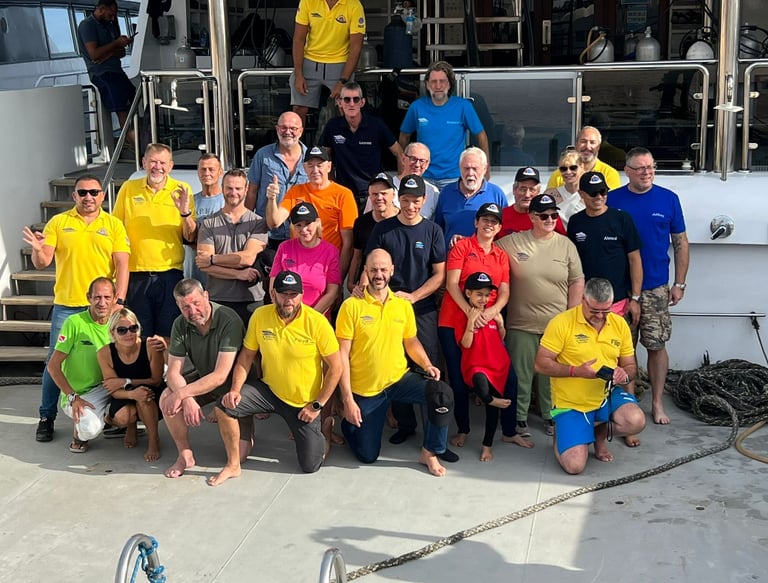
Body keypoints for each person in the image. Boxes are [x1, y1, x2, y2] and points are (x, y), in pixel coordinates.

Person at [208, 270, 343, 485]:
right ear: (272, 293)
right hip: (269, 391)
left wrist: (317, 405)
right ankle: (233, 464)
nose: (288, 299)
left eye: (293, 294)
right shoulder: (260, 316)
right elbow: (246, 356)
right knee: (225, 406)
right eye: (283, 293)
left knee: (311, 465)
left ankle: (324, 427)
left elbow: (336, 367)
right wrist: (234, 389)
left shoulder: (317, 322)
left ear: (301, 295)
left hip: (303, 403)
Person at [23, 175, 129, 443]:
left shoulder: (114, 225)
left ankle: (107, 411)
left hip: (104, 305)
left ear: (102, 195)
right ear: (74, 196)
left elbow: (122, 264)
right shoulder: (59, 222)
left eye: (94, 192)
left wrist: (121, 300)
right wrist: (37, 250)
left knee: (111, 357)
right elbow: (42, 261)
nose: (88, 197)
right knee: (54, 363)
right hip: (68, 306)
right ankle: (46, 416)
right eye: (82, 192)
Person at [336, 249, 454, 477]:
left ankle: (430, 451)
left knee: (441, 392)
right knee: (367, 456)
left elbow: (411, 341)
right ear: (366, 272)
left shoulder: (402, 304)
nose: (378, 274)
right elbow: (342, 355)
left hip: (399, 380)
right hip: (367, 389)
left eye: (383, 269)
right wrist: (348, 400)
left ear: (392, 270)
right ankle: (348, 424)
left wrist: (427, 364)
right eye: (373, 270)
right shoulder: (351, 306)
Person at [362, 174, 451, 460]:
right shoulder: (384, 229)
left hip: (421, 309)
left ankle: (434, 438)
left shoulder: (433, 231)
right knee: (394, 368)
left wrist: (414, 296)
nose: (410, 206)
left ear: (424, 201)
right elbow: (371, 267)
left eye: (416, 201)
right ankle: (406, 425)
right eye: (405, 200)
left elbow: (440, 275)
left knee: (429, 370)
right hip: (387, 309)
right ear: (397, 199)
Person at [438, 203, 530, 450]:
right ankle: (463, 429)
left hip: (487, 324)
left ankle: (509, 431)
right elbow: (452, 283)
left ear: (500, 227)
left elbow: (505, 290)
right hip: (454, 321)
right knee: (458, 380)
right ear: (476, 222)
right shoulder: (462, 247)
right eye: (485, 220)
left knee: (506, 376)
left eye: (494, 221)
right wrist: (470, 313)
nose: (489, 224)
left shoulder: (501, 255)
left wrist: (490, 313)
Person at [608, 147, 689, 425]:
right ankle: (627, 406)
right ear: (627, 171)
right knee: (622, 349)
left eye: (651, 167)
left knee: (656, 345)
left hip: (656, 288)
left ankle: (656, 402)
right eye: (640, 168)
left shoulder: (668, 199)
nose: (647, 172)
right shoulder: (612, 199)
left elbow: (681, 243)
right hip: (620, 290)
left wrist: (679, 283)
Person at [534, 278, 646, 474]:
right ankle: (563, 433)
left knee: (636, 420)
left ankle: (597, 434)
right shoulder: (561, 323)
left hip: (605, 395)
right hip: (571, 402)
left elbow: (630, 366)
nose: (600, 316)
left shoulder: (619, 324)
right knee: (574, 466)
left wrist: (623, 374)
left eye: (606, 310)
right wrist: (575, 371)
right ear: (583, 301)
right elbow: (540, 364)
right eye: (594, 311)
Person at [496, 194, 584, 441]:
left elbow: (577, 280)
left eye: (554, 215)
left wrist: (571, 315)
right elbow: (487, 251)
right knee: (520, 375)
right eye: (544, 215)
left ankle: (550, 415)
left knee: (551, 376)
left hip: (556, 325)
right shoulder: (512, 242)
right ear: (532, 217)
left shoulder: (566, 244)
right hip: (521, 323)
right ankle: (519, 417)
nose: (550, 219)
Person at [568, 171, 643, 447]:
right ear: (582, 195)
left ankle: (628, 419)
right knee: (588, 357)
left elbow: (635, 259)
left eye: (603, 192)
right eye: (593, 193)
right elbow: (572, 267)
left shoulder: (622, 219)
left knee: (624, 360)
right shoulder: (575, 222)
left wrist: (635, 298)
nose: (599, 197)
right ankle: (592, 415)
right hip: (586, 305)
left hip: (619, 302)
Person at [159, 279, 245, 479]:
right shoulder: (180, 324)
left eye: (196, 303)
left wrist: (183, 393)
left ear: (206, 296)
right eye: (185, 307)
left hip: (234, 385)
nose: (192, 311)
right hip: (203, 378)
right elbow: (173, 372)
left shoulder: (228, 319)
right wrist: (187, 399)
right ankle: (184, 454)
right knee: (167, 397)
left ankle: (245, 434)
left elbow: (220, 375)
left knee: (241, 455)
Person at [114, 143, 196, 339]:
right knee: (138, 334)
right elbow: (115, 228)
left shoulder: (183, 189)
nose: (157, 167)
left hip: (169, 273)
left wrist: (185, 212)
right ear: (144, 162)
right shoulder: (128, 188)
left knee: (168, 333)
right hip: (136, 274)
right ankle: (145, 371)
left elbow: (191, 236)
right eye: (152, 161)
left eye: (162, 163)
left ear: (170, 166)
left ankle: (166, 370)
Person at [47, 277, 117, 454]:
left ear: (115, 298)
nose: (102, 303)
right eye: (97, 297)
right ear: (88, 298)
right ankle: (79, 434)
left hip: (112, 384)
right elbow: (53, 366)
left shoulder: (120, 323)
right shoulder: (74, 323)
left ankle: (117, 422)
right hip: (82, 392)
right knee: (90, 429)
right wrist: (72, 396)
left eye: (107, 297)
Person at [267, 145, 358, 281]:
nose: (315, 170)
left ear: (329, 166)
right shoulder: (295, 191)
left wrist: (337, 280)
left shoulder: (343, 194)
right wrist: (272, 199)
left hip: (326, 265)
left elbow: (348, 243)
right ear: (304, 168)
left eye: (320, 165)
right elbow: (274, 222)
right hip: (296, 264)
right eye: (310, 165)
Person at [399, 61, 490, 187]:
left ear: (449, 84)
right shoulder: (417, 107)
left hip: (454, 177)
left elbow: (481, 136)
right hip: (423, 175)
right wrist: (403, 169)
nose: (438, 86)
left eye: (442, 81)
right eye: (433, 81)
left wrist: (486, 169)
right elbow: (404, 137)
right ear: (427, 84)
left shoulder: (463, 106)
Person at [195, 169, 268, 325]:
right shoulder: (208, 223)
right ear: (222, 188)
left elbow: (247, 259)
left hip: (251, 299)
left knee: (252, 348)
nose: (233, 192)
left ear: (246, 190)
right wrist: (238, 274)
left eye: (238, 188)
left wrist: (213, 259)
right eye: (229, 188)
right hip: (218, 299)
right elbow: (203, 266)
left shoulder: (258, 223)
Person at [458, 272, 514, 462]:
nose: (483, 298)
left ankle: (487, 446)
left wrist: (500, 324)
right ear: (468, 294)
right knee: (481, 387)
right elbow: (465, 344)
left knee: (492, 414)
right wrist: (471, 323)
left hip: (497, 365)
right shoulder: (465, 315)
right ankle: (491, 400)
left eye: (487, 295)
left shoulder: (493, 313)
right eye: (479, 294)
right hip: (476, 365)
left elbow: (501, 337)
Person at [319, 81, 403, 209]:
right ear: (339, 102)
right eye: (347, 99)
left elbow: (399, 153)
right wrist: (330, 185)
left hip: (373, 195)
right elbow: (324, 157)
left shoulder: (376, 125)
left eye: (355, 99)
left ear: (362, 102)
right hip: (343, 195)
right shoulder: (332, 126)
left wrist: (399, 184)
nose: (351, 104)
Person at [97, 307, 165, 462]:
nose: (129, 334)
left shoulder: (151, 346)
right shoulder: (104, 353)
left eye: (133, 328)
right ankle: (130, 426)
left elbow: (156, 380)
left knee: (143, 395)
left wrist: (127, 382)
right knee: (122, 417)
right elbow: (112, 389)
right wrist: (131, 393)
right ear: (112, 333)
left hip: (152, 391)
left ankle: (154, 440)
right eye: (122, 330)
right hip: (124, 393)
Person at [290, 0, 366, 125]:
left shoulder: (354, 5)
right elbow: (298, 39)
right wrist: (298, 74)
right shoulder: (307, 2)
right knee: (299, 109)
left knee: (347, 109)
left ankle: (348, 144)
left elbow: (356, 46)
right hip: (310, 61)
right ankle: (295, 145)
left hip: (340, 63)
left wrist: (343, 81)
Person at [245, 112, 308, 251]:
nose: (288, 132)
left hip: (300, 234)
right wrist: (246, 226)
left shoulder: (310, 159)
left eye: (293, 128)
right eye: (283, 128)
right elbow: (252, 192)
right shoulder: (262, 155)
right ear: (277, 129)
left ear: (301, 131)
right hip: (266, 233)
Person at [76, 0, 136, 143]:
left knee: (133, 103)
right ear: (101, 9)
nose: (112, 18)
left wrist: (110, 52)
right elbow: (94, 55)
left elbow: (121, 52)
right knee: (123, 111)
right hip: (103, 74)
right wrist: (115, 45)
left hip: (117, 71)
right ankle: (137, 150)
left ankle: (138, 145)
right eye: (110, 14)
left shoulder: (110, 25)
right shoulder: (87, 25)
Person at [271, 202, 341, 317]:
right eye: (298, 225)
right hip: (286, 316)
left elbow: (332, 293)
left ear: (317, 222)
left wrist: (308, 318)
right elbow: (273, 288)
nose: (303, 229)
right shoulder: (284, 248)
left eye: (308, 223)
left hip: (316, 319)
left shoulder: (331, 251)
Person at [434, 147, 507, 248]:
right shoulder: (446, 193)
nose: (470, 173)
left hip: (484, 261)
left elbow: (503, 231)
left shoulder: (496, 194)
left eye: (475, 168)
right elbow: (438, 230)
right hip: (452, 259)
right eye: (466, 168)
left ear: (485, 169)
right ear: (460, 168)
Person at [362, 142, 442, 220]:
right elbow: (367, 220)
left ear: (427, 164)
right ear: (403, 159)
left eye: (422, 161)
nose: (417, 164)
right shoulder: (384, 186)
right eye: (413, 159)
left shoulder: (433, 192)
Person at [348, 173, 399, 292]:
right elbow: (357, 256)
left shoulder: (402, 221)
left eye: (384, 193)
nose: (379, 198)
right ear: (370, 196)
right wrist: (350, 283)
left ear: (393, 195)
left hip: (396, 290)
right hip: (368, 289)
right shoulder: (361, 222)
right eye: (375, 194)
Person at [184, 153, 225, 284]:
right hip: (194, 272)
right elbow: (186, 238)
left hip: (220, 275)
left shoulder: (228, 201)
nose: (206, 173)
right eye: (203, 169)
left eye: (211, 169)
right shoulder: (189, 201)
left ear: (220, 172)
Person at [546, 126, 622, 191]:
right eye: (583, 141)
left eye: (592, 142)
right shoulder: (560, 174)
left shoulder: (609, 174)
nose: (587, 147)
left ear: (598, 147)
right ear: (576, 144)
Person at [498, 166, 566, 238]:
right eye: (523, 189)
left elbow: (562, 243)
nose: (527, 195)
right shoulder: (501, 216)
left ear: (538, 192)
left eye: (532, 190)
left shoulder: (550, 216)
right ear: (514, 190)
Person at [544, 149, 585, 228]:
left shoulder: (591, 194)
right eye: (563, 169)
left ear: (582, 166)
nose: (568, 172)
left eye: (573, 168)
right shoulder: (550, 194)